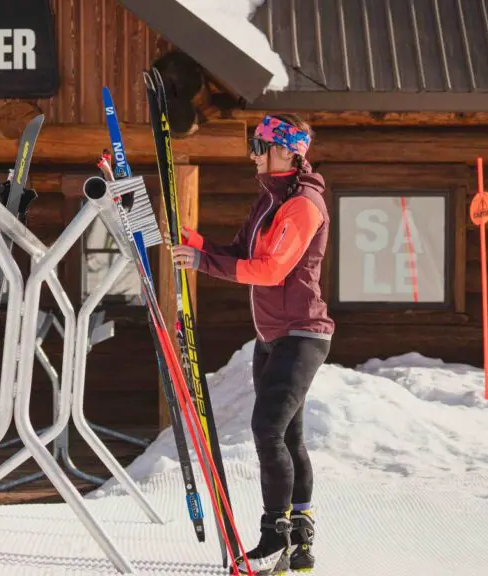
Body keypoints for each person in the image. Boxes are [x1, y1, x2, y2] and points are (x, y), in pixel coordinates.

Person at [171, 114, 333, 575]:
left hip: (301, 336)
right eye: (254, 145)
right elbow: (242, 255)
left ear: (288, 151)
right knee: (289, 435)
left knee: (268, 430)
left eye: (260, 146)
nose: (253, 154)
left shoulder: (303, 205)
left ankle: (273, 538)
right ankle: (300, 537)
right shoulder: (269, 201)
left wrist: (201, 262)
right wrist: (193, 241)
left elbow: (271, 270)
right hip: (272, 338)